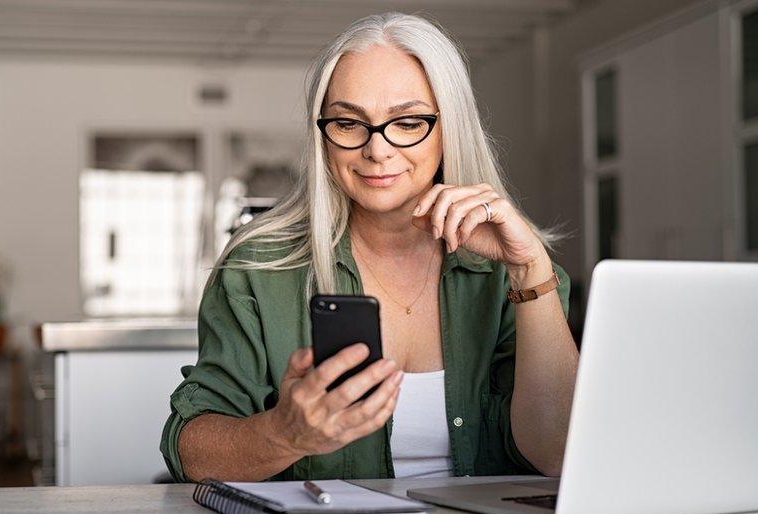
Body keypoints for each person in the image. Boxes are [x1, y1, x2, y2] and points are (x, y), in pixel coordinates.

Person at [160, 12, 579, 483]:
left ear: (449, 128)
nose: (376, 150)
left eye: (407, 122)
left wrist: (530, 272)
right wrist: (284, 434)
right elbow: (191, 452)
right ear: (324, 136)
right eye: (348, 123)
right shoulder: (258, 267)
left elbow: (558, 454)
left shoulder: (517, 273)